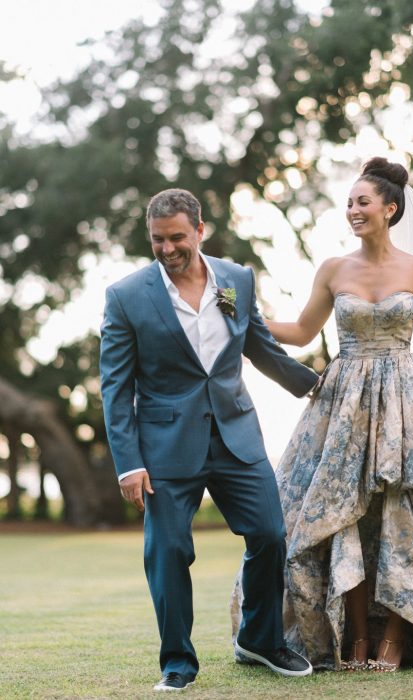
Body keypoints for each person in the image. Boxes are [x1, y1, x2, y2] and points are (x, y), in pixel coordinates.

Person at [231, 157, 413, 671]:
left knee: (406, 515)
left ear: (390, 208)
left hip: (404, 400)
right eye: (349, 204)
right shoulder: (334, 269)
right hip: (344, 401)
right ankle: (356, 639)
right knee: (346, 516)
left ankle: (397, 639)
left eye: (362, 202)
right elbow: (297, 331)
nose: (353, 211)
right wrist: (238, 312)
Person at [100, 188, 318, 691]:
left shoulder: (234, 280)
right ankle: (177, 661)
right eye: (158, 240)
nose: (168, 248)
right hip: (164, 448)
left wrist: (315, 385)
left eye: (178, 237)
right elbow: (116, 387)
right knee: (169, 551)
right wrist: (128, 464)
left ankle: (259, 640)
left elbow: (257, 344)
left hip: (236, 435)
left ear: (200, 231)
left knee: (269, 533)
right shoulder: (127, 297)